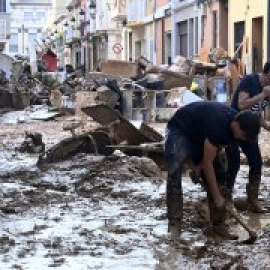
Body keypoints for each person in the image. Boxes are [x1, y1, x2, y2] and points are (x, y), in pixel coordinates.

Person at [165, 101, 261, 238]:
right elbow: (208, 163)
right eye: (244, 135)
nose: (244, 139)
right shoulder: (219, 123)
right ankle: (174, 224)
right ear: (236, 124)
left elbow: (213, 153)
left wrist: (198, 168)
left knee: (219, 173)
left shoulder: (234, 131)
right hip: (181, 129)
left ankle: (218, 225)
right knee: (174, 167)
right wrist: (217, 197)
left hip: (203, 136)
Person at [226, 62, 270, 213]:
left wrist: (267, 127)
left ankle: (252, 200)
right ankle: (227, 199)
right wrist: (262, 95)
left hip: (249, 130)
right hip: (234, 127)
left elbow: (257, 115)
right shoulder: (249, 81)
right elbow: (241, 104)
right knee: (234, 163)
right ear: (267, 74)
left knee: (256, 161)